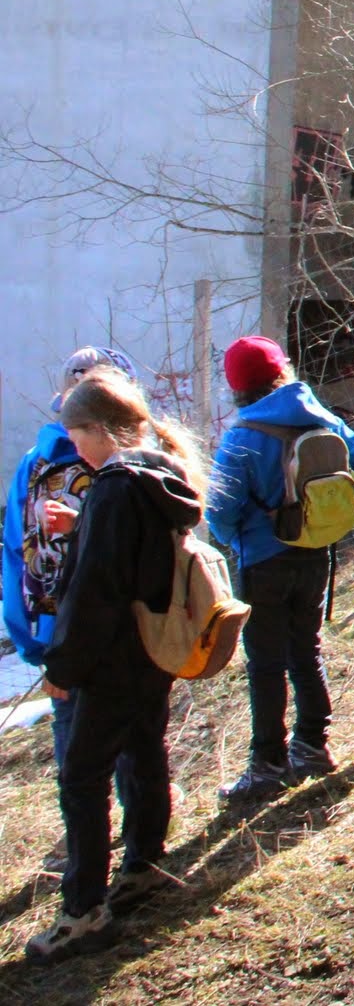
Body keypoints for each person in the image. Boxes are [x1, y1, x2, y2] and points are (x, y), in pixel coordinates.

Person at [27, 367, 205, 961]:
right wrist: (85, 525)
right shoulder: (158, 474)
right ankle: (144, 865)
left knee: (81, 777)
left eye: (76, 435)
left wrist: (62, 668)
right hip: (152, 649)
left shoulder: (113, 488)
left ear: (101, 429)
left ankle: (83, 912)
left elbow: (96, 592)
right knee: (144, 751)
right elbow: (133, 556)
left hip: (110, 659)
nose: (75, 447)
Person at [206, 336, 354, 803]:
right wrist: (327, 511)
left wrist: (238, 539)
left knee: (266, 663)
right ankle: (313, 746)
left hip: (262, 562)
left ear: (236, 387)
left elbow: (220, 512)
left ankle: (267, 765)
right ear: (281, 374)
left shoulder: (242, 437)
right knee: (306, 650)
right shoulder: (323, 418)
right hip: (316, 553)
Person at [3, 348, 141, 855]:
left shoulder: (35, 463)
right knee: (134, 728)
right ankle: (139, 830)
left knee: (74, 733)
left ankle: (81, 837)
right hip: (129, 627)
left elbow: (16, 554)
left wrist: (30, 636)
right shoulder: (143, 458)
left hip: (60, 629)